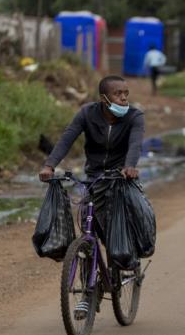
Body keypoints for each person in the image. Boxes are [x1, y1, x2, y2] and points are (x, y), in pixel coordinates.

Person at [38, 75, 144, 317]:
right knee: (88, 236)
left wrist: (130, 166)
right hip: (93, 178)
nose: (124, 98)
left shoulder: (134, 116)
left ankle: (126, 263)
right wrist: (49, 165)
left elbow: (136, 144)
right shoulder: (87, 114)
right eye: (119, 94)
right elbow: (67, 138)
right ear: (104, 99)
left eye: (126, 93)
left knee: (117, 235)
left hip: (120, 179)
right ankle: (88, 293)